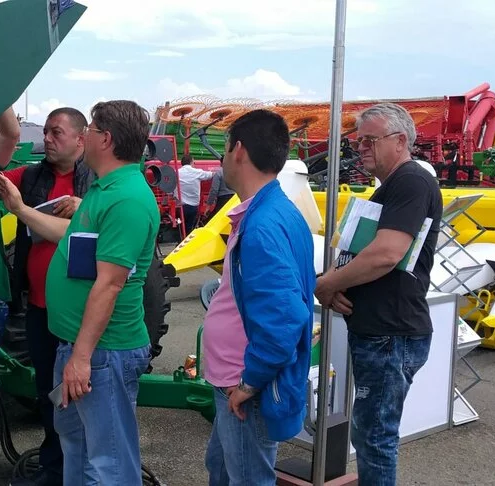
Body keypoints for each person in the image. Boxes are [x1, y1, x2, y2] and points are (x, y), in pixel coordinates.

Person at [0, 100, 158, 485]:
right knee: (78, 447)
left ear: (107, 139)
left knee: (108, 463)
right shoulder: (104, 189)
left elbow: (110, 284)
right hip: (79, 347)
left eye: (92, 129)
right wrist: (19, 208)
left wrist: (81, 358)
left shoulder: (127, 199)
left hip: (103, 352)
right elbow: (67, 234)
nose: (85, 135)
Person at [314, 103, 442, 486]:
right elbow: (364, 253)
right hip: (383, 331)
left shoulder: (411, 182)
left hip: (390, 334)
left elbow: (387, 253)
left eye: (370, 140)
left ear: (400, 141)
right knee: (371, 434)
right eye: (358, 141)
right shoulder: (393, 185)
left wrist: (328, 284)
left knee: (374, 438)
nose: (361, 148)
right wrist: (337, 282)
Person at [201, 109, 316, 485]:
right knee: (222, 468)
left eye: (224, 149)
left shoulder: (262, 225)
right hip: (238, 379)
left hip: (244, 384)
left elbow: (285, 317)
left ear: (238, 150)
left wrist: (250, 382)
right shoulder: (272, 211)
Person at [0, 105, 93, 486]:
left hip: (80, 314)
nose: (47, 139)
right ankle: (55, 469)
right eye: (46, 132)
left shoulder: (97, 183)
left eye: (56, 133)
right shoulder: (30, 177)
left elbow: (121, 221)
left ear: (81, 139)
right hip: (39, 310)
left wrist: (86, 208)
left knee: (80, 400)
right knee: (48, 395)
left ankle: (80, 471)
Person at [176, 154, 216, 233]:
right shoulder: (197, 172)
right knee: (190, 227)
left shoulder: (177, 173)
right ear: (191, 162)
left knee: (180, 226)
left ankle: (181, 237)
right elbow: (211, 175)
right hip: (193, 206)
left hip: (180, 206)